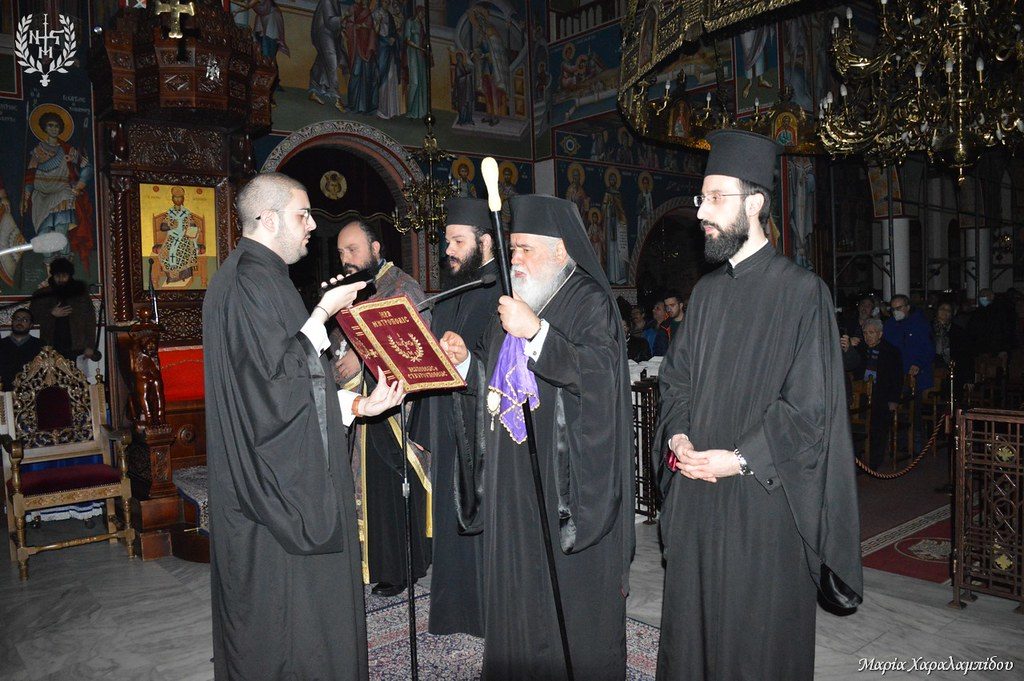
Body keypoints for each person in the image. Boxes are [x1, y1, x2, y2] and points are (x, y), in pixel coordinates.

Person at [654, 129, 862, 681]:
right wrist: (678, 436)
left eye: (715, 198)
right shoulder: (706, 294)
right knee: (693, 639)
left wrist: (739, 458)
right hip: (698, 496)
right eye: (701, 198)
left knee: (755, 645)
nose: (702, 212)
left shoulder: (803, 294)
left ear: (754, 203)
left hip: (763, 503)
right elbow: (676, 382)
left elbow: (809, 409)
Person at [203, 172, 404, 680]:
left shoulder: (255, 276)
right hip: (271, 490)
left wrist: (358, 407)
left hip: (262, 466)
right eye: (303, 215)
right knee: (290, 627)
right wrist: (321, 314)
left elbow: (282, 391)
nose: (313, 225)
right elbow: (275, 389)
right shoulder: (251, 282)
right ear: (268, 219)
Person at [441, 194, 634, 680]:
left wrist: (539, 334)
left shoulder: (589, 301)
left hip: (559, 482)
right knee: (517, 595)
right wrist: (465, 363)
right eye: (512, 249)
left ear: (560, 250)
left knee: (564, 605)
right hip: (511, 483)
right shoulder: (514, 300)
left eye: (525, 249)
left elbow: (600, 376)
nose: (515, 260)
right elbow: (494, 376)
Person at [409, 198, 500, 637]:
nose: (448, 250)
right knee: (448, 513)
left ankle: (486, 612)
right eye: (447, 241)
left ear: (485, 242)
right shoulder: (456, 287)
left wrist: (468, 359)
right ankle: (454, 612)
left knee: (481, 512)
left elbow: (505, 362)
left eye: (457, 241)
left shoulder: (505, 290)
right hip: (448, 419)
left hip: (485, 429)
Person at [334, 219, 432, 596]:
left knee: (391, 487)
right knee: (369, 489)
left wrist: (360, 359)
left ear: (375, 249)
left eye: (353, 250)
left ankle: (402, 567)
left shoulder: (403, 286)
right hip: (360, 405)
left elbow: (415, 346)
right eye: (341, 252)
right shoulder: (352, 289)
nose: (346, 258)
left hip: (393, 408)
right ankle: (374, 562)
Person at [884, 293, 934, 452]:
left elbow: (928, 349)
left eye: (898, 308)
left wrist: (918, 364)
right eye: (892, 309)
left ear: (907, 307)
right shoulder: (890, 325)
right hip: (895, 374)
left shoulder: (920, 323)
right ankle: (897, 442)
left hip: (915, 374)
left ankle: (916, 442)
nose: (895, 311)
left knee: (913, 409)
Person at [29, 257, 99, 363]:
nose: (61, 279)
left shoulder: (81, 295)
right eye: (58, 276)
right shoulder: (42, 294)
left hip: (77, 347)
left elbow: (90, 320)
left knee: (77, 374)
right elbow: (32, 317)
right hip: (50, 347)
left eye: (64, 276)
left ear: (70, 276)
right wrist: (51, 313)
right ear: (53, 275)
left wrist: (90, 346)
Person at [855, 318, 902, 469]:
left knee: (878, 426)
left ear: (880, 334)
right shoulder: (860, 349)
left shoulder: (891, 351)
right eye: (865, 333)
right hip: (862, 394)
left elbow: (896, 378)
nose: (868, 336)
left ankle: (874, 461)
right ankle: (856, 458)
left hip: (882, 395)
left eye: (871, 333)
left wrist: (893, 400)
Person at [308, 0, 347, 111]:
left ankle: (313, 91)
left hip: (329, 35)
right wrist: (344, 16)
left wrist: (342, 25)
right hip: (324, 34)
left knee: (320, 62)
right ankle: (337, 98)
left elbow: (335, 24)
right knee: (332, 62)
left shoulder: (335, 2)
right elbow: (330, 22)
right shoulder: (327, 1)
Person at [0, 308, 43, 389]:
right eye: (17, 319)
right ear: (12, 322)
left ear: (31, 325)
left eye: (25, 320)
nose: (20, 322)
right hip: (4, 391)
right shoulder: (2, 344)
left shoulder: (40, 345)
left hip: (31, 391)